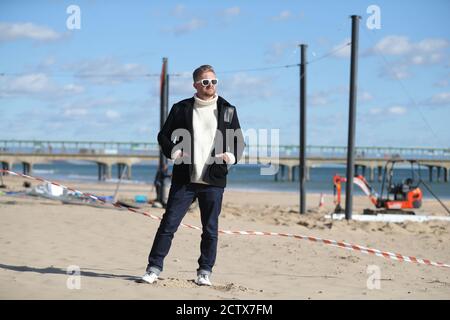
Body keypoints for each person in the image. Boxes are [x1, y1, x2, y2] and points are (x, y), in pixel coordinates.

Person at [142, 65, 245, 286]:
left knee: (210, 230)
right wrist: (174, 151)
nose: (210, 86)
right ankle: (153, 268)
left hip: (213, 180)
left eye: (214, 82)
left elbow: (239, 141)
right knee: (168, 225)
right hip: (184, 179)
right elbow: (163, 136)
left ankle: (204, 272)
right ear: (195, 85)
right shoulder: (181, 108)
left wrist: (230, 156)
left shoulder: (228, 109)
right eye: (205, 82)